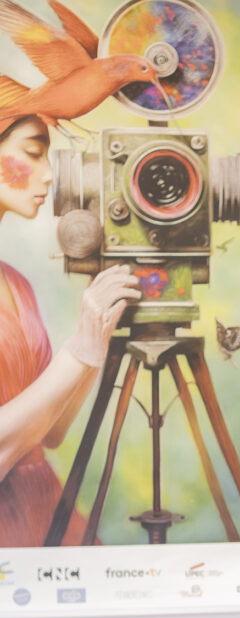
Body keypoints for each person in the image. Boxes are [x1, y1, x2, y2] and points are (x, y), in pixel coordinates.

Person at [0, 115, 140, 546]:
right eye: (33, 153)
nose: (49, 174)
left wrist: (95, 337)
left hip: (44, 507)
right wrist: (78, 351)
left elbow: (51, 433)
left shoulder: (16, 284)